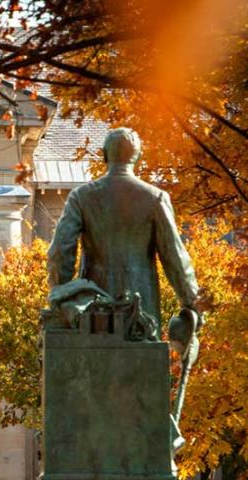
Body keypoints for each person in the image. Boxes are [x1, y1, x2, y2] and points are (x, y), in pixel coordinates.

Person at [47, 127, 199, 330]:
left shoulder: (81, 197)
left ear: (104, 155)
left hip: (94, 311)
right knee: (143, 360)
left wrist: (62, 292)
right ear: (138, 157)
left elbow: (60, 251)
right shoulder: (155, 198)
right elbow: (175, 258)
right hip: (143, 309)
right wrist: (192, 303)